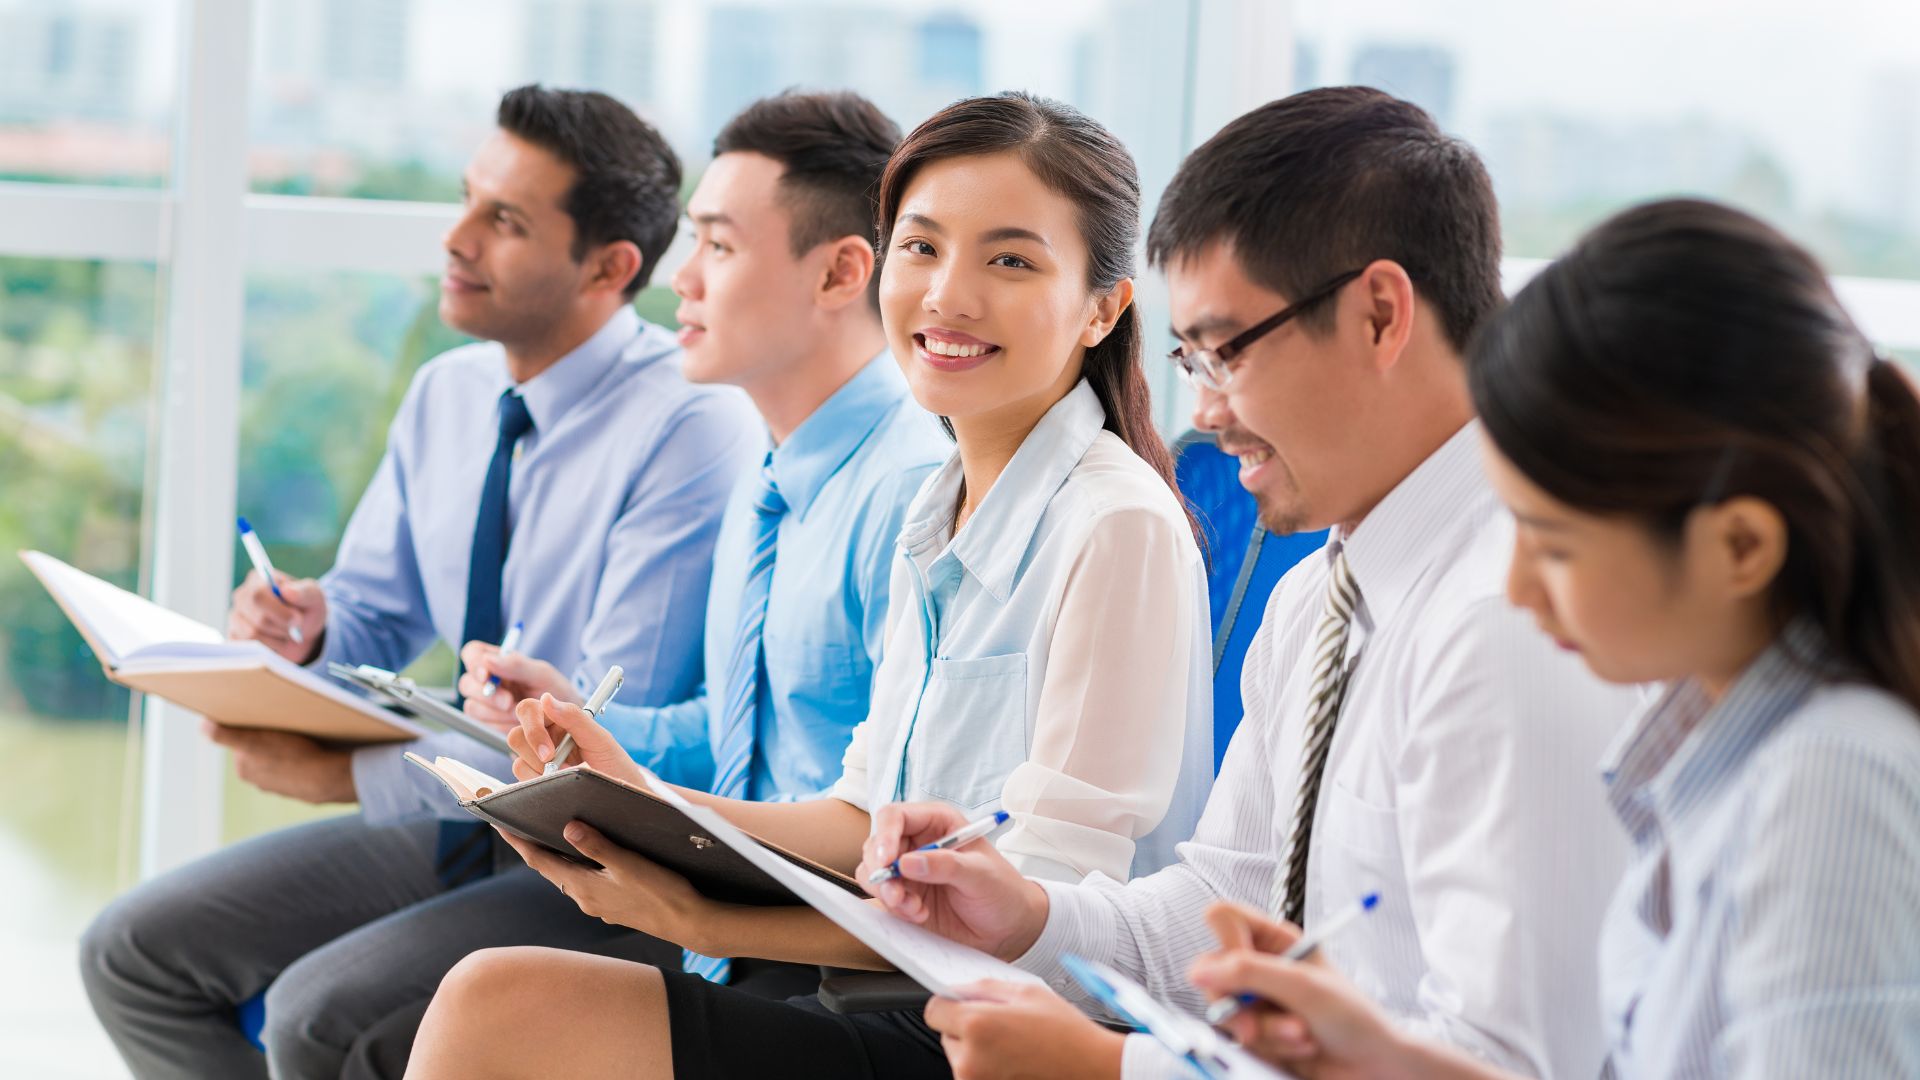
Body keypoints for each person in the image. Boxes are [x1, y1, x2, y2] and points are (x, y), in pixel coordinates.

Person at [403, 91, 1216, 1080]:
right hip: (891, 997)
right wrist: (634, 795)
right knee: (500, 998)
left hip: (1002, 1039)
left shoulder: (1114, 524)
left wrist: (705, 912)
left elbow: (1044, 921)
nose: (948, 295)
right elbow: (857, 815)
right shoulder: (939, 502)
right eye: (921, 248)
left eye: (1009, 260)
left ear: (1103, 307)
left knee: (503, 1003)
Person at [857, 87, 1644, 1080]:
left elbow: (1518, 1064)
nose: (1206, 411)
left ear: (1380, 313)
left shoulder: (1508, 622)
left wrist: (1108, 1073)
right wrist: (1022, 915)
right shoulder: (1316, 599)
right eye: (1188, 356)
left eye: (1224, 352)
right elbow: (1217, 910)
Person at [78, 86, 759, 1080]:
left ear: (611, 269)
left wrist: (349, 777)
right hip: (458, 813)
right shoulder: (452, 390)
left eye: (505, 221)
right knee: (130, 954)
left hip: (586, 846)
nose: (456, 238)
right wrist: (304, 629)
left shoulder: (690, 426)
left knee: (320, 1015)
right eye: (467, 200)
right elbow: (377, 615)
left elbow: (591, 739)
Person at [1186, 199, 1920, 1080]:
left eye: (1555, 543)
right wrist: (1381, 1057)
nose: (1522, 587)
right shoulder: (1724, 758)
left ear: (1740, 547)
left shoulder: (1831, 779)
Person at [455, 89, 949, 998]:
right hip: (725, 916)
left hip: (828, 959)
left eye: (717, 247)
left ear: (843, 275)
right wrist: (591, 724)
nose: (679, 281)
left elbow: (901, 819)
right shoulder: (769, 478)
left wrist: (653, 811)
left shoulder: (908, 496)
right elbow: (737, 735)